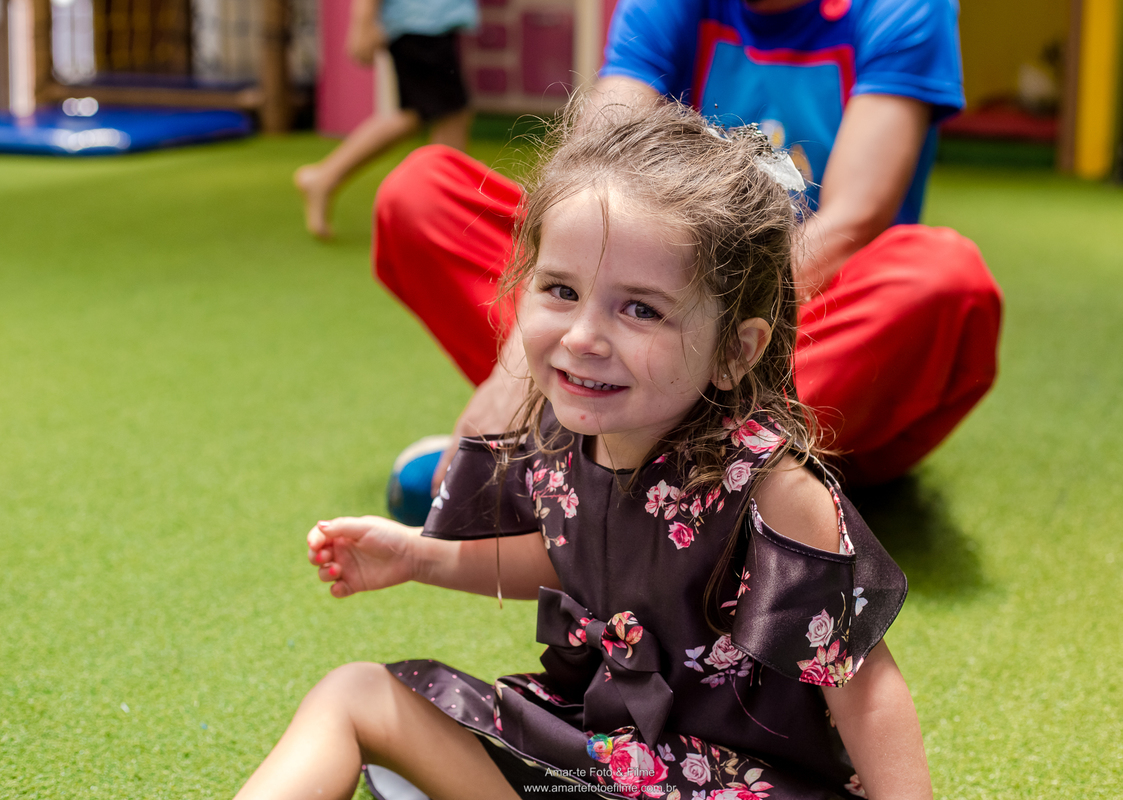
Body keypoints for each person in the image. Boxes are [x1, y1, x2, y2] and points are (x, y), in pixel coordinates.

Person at [236, 99, 929, 800]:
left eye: (641, 308)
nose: (583, 337)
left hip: (734, 783)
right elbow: (571, 556)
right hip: (592, 756)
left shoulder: (774, 493)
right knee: (355, 694)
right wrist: (418, 556)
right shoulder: (565, 433)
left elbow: (866, 688)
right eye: (561, 291)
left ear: (735, 350)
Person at [375, 0, 1003, 519]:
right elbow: (585, 184)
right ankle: (651, 467)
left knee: (942, 278)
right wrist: (513, 374)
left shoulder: (904, 7)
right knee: (424, 193)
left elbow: (850, 221)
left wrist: (705, 329)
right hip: (635, 307)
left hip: (781, 332)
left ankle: (596, 463)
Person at [294, 0, 477, 238]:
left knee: (425, 114)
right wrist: (363, 22)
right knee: (446, 115)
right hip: (420, 24)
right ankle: (446, 213)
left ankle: (325, 177)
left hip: (429, 24)